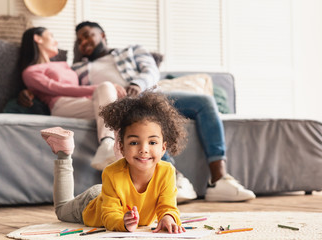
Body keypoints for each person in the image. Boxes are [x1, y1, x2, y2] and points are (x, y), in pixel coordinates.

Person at [19, 22, 256, 202]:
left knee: (204, 101)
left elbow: (150, 71)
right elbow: (64, 90)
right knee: (138, 118)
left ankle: (220, 179)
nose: (83, 42)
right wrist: (30, 92)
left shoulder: (132, 51)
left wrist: (137, 87)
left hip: (149, 93)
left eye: (88, 35)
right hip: (121, 105)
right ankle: (175, 180)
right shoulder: (77, 68)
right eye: (79, 40)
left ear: (102, 35)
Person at [40, 92, 187, 232]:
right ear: (121, 147)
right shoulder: (111, 173)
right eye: (134, 143)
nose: (144, 149)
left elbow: (167, 206)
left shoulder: (167, 171)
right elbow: (109, 216)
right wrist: (122, 222)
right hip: (91, 204)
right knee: (61, 209)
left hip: (111, 193)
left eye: (152, 142)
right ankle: (64, 153)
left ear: (163, 148)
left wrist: (168, 217)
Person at [18, 27, 153, 171]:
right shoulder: (30, 72)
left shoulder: (65, 66)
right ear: (37, 38)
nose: (56, 41)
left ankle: (113, 154)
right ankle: (112, 150)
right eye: (51, 36)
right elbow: (57, 88)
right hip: (61, 104)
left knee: (119, 106)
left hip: (84, 102)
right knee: (108, 89)